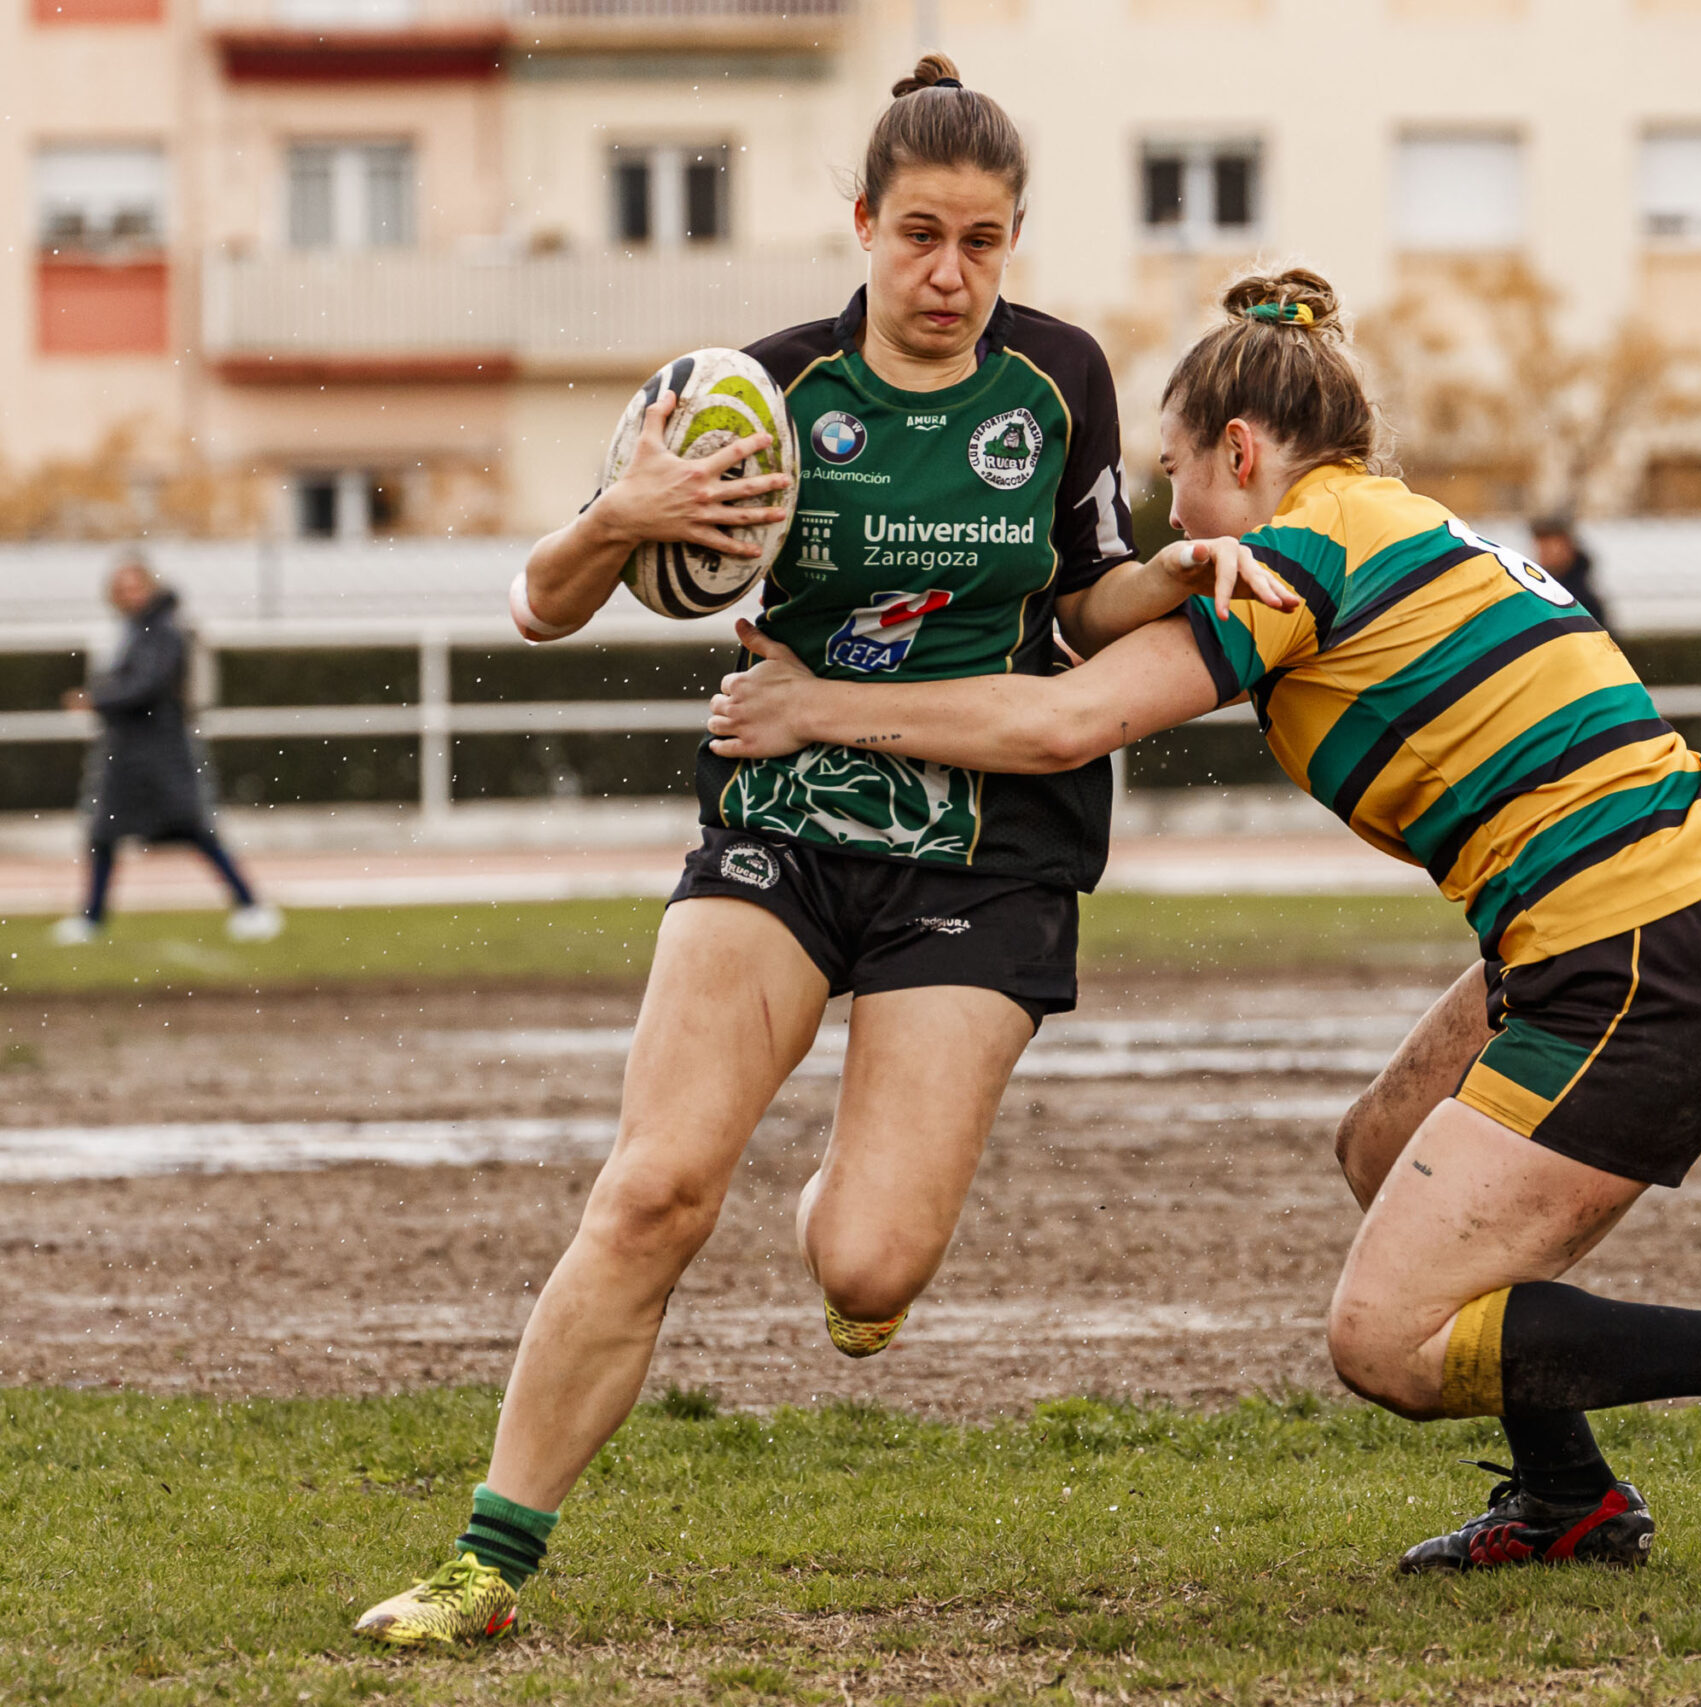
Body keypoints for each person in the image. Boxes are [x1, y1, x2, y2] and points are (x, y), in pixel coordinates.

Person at [706, 268, 1701, 1574]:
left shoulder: (1293, 554)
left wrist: (816, 706)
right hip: (1682, 895)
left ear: (1240, 451)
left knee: (1387, 1339)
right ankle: (1571, 1499)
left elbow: (1063, 721)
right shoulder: (1386, 517)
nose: (1167, 510)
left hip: (1646, 939)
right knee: (1387, 1145)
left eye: (1174, 470)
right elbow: (1082, 659)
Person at [354, 56, 1293, 1649]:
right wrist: (614, 513)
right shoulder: (754, 390)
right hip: (782, 822)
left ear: (1014, 244)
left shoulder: (1059, 377)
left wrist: (1184, 570)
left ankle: (850, 1200)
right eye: (920, 233)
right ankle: (486, 1561)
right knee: (655, 1187)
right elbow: (541, 602)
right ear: (860, 222)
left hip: (989, 850)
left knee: (870, 1263)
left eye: (984, 242)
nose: (949, 274)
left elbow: (1079, 599)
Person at [50, 552, 280, 947]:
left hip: (161, 751)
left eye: (135, 585)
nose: (128, 594)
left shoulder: (165, 631)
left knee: (194, 830)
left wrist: (97, 700)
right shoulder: (131, 631)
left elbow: (148, 686)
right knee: (104, 834)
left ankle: (252, 907)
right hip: (126, 752)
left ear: (150, 586)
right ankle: (91, 919)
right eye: (121, 588)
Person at [1529, 515, 1609, 631]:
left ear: (1568, 546)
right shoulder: (1534, 588)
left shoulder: (1582, 600)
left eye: (1550, 544)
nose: (1544, 551)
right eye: (1540, 544)